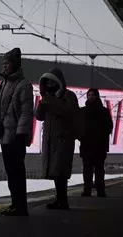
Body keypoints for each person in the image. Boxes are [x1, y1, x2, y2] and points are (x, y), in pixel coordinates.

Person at [0, 47, 34, 216]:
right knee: (11, 172)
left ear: (15, 64)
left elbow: (26, 112)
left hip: (16, 136)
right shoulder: (3, 84)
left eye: (7, 63)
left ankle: (20, 205)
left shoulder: (23, 85)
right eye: (3, 63)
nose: (4, 66)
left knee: (17, 172)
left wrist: (21, 133)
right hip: (5, 135)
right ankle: (15, 203)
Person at [36, 68, 79, 210]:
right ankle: (60, 199)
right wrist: (42, 104)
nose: (49, 84)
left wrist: (52, 102)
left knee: (60, 170)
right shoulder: (48, 97)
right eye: (47, 82)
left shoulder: (69, 96)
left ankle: (63, 200)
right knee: (55, 171)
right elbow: (39, 116)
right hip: (50, 139)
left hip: (63, 139)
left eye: (52, 81)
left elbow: (68, 112)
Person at [79, 88, 113, 197]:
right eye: (89, 95)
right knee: (88, 169)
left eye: (93, 95)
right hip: (87, 144)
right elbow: (78, 128)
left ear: (97, 96)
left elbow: (109, 127)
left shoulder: (104, 111)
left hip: (99, 145)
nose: (91, 97)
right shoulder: (83, 111)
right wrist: (82, 137)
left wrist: (101, 136)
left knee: (98, 169)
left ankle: (100, 190)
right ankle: (87, 189)